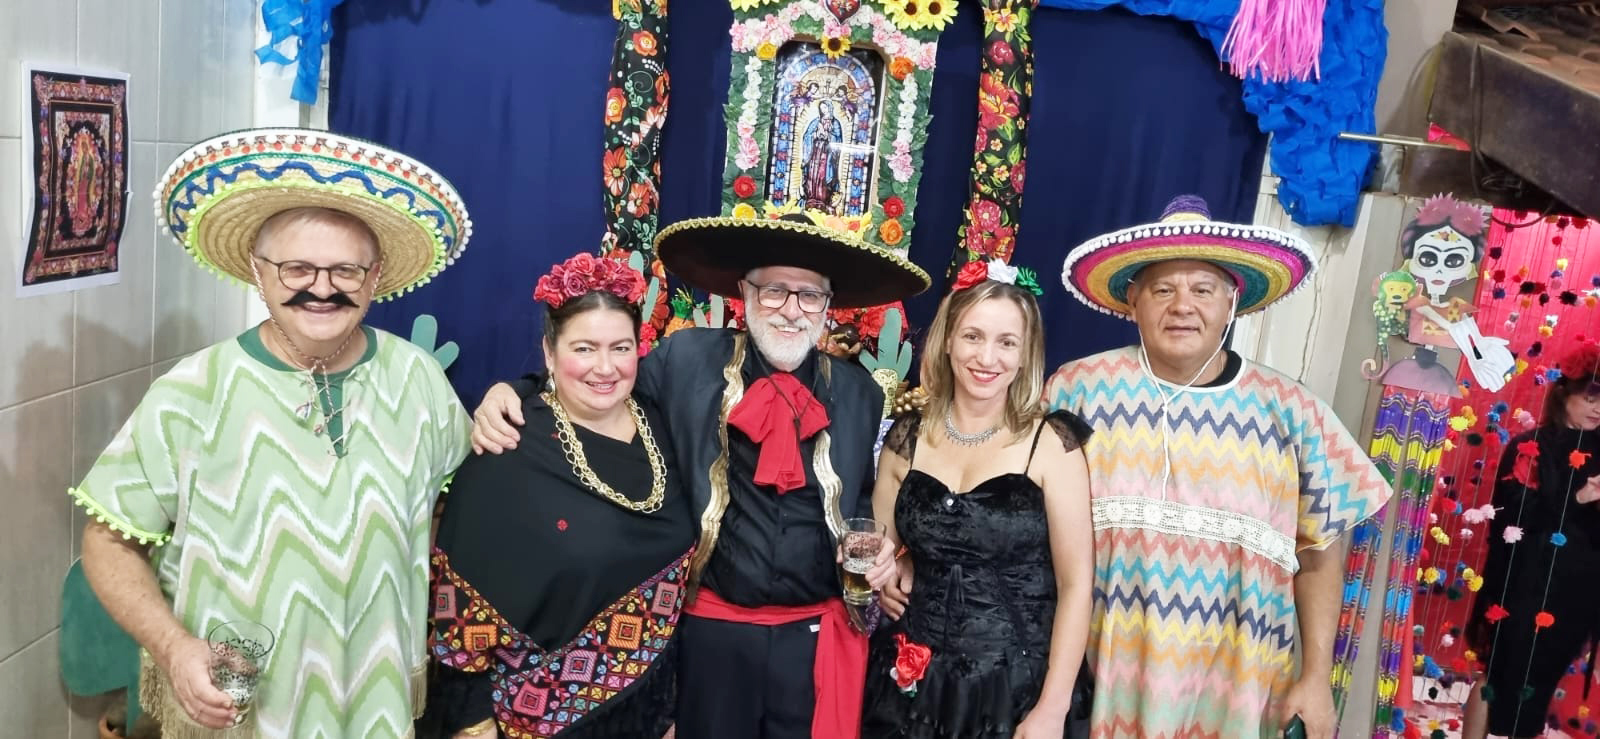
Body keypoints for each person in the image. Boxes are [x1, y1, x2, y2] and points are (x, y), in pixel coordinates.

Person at [71, 128, 473, 737]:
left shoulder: (418, 378)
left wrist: (512, 397)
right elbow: (106, 542)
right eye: (296, 268)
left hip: (377, 704)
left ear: (375, 275)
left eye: (345, 269)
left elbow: (457, 512)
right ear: (258, 272)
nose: (322, 287)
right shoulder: (193, 390)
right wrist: (174, 649)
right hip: (235, 711)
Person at [470, 212, 931, 738]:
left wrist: (879, 552)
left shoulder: (860, 394)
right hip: (711, 638)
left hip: (815, 641)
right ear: (745, 293)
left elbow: (863, 498)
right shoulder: (684, 361)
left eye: (809, 296)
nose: (791, 310)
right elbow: (603, 383)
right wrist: (521, 388)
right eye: (774, 291)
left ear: (828, 306)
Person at [1046, 195, 1392, 739]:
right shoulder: (1077, 390)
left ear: (1232, 302)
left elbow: (1319, 555)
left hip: (1242, 694)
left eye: (1203, 290)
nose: (1182, 306)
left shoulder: (1293, 410)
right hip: (1099, 686)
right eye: (1163, 289)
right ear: (1133, 301)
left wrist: (1316, 676)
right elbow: (1017, 516)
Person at [423, 252, 695, 739]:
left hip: (651, 715)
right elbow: (457, 612)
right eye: (584, 348)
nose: (605, 368)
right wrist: (473, 726)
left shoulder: (666, 426)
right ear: (549, 353)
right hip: (534, 724)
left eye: (620, 347)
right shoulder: (509, 447)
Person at [861, 259, 1094, 738]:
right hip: (913, 683)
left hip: (1015, 689)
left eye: (1006, 342)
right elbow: (883, 547)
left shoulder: (1051, 444)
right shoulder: (905, 439)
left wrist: (1052, 709)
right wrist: (894, 567)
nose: (987, 357)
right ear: (948, 340)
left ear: (1025, 354)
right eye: (973, 336)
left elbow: (1076, 586)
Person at [1462, 343, 1600, 739]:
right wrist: (1578, 498)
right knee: (1499, 672)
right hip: (1525, 583)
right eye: (1590, 398)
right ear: (1564, 394)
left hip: (1579, 590)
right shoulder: (1531, 446)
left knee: (1542, 680)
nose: (1598, 409)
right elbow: (1517, 514)